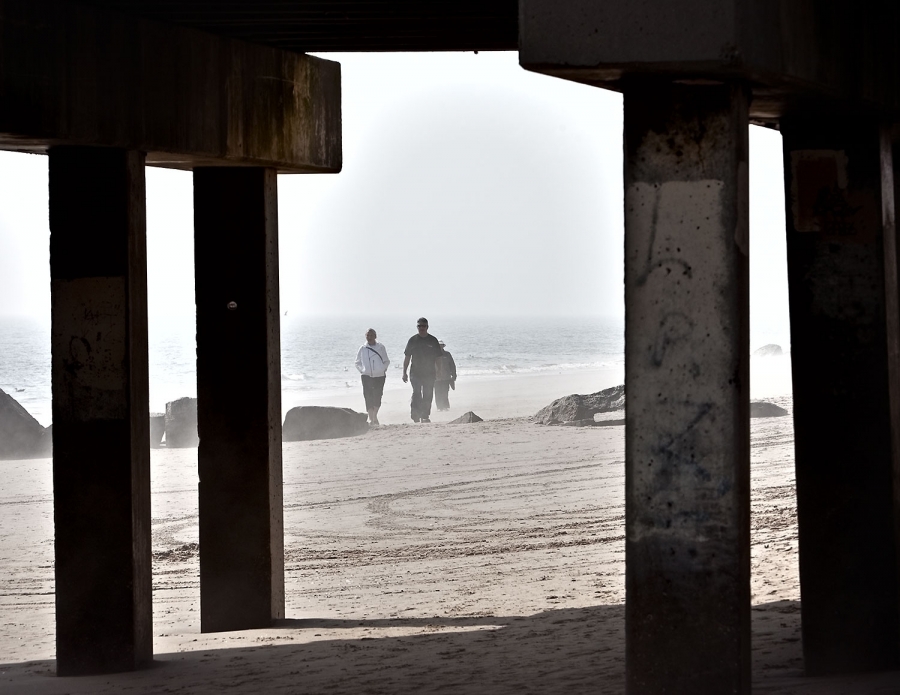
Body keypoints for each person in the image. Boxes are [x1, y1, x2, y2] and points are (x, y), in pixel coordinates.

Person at [402, 317, 442, 423]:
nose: (421, 328)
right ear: (417, 327)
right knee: (416, 392)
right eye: (419, 326)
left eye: (423, 326)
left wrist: (439, 371)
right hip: (415, 372)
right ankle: (415, 414)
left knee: (428, 393)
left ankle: (425, 415)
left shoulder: (433, 340)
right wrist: (404, 372)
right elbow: (407, 357)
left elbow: (438, 358)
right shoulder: (412, 340)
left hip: (429, 372)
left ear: (427, 327)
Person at [355, 328, 390, 425]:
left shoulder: (381, 347)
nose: (369, 337)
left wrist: (382, 369)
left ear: (375, 336)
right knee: (368, 396)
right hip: (366, 376)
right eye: (367, 335)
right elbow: (357, 362)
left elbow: (386, 361)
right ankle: (371, 418)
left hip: (379, 376)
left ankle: (374, 416)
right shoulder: (362, 348)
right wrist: (363, 370)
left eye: (371, 335)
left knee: (378, 396)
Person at [433, 340, 457, 411]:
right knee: (437, 392)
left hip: (446, 377)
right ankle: (439, 407)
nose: (440, 347)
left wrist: (454, 375)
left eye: (441, 345)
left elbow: (452, 365)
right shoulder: (433, 355)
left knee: (445, 392)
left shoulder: (447, 354)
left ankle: (445, 406)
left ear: (443, 346)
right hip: (436, 378)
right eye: (439, 345)